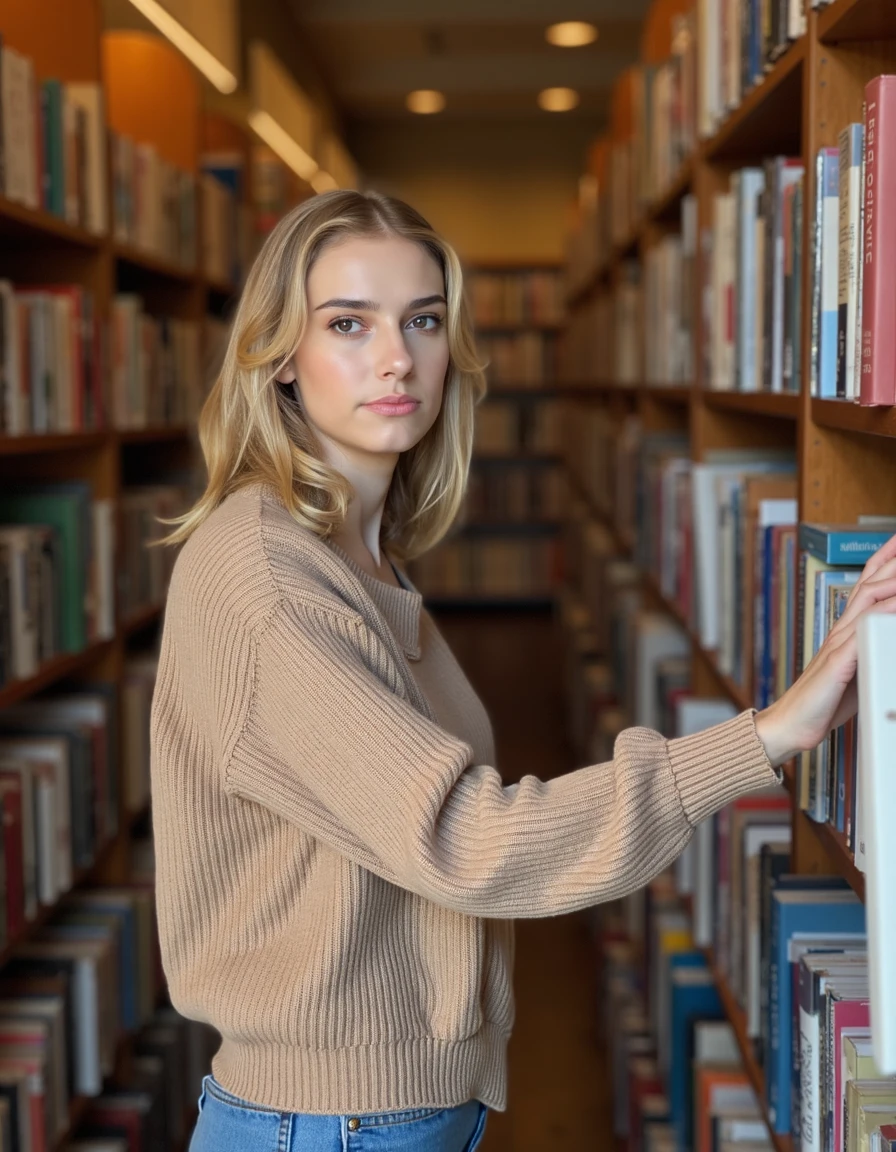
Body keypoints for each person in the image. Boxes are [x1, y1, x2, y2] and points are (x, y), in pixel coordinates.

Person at [149, 189, 896, 1152]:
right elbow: (468, 840)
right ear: (280, 355)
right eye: (348, 323)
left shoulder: (352, 555)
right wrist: (770, 737)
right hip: (330, 1122)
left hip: (373, 1113)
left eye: (423, 320)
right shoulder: (269, 579)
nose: (397, 357)